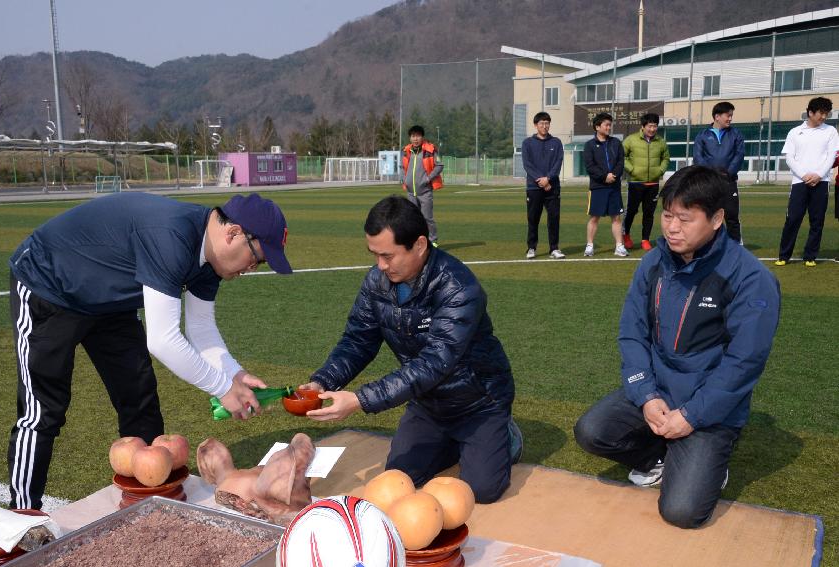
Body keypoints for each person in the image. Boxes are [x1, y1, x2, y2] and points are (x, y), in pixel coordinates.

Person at [7, 192, 292, 510]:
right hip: (49, 284)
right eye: (257, 258)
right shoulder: (172, 236)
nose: (252, 268)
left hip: (110, 304)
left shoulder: (210, 260)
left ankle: (146, 503)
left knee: (140, 399)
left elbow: (201, 331)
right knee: (43, 411)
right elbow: (163, 339)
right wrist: (223, 388)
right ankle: (23, 513)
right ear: (233, 233)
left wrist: (235, 373)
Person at [573, 165, 780, 529]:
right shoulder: (654, 262)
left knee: (682, 512)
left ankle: (710, 464)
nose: (671, 227)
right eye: (668, 215)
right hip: (659, 391)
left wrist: (692, 416)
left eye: (685, 219)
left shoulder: (750, 278)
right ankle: (658, 456)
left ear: (717, 219)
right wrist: (646, 394)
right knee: (591, 430)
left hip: (710, 406)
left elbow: (743, 363)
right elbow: (632, 332)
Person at [300, 195, 520, 504]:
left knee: (481, 491)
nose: (380, 265)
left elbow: (434, 363)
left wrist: (360, 400)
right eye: (374, 254)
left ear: (419, 245)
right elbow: (357, 340)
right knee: (399, 477)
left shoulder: (458, 287)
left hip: (478, 403)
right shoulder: (377, 282)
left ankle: (506, 436)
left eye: (388, 256)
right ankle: (455, 442)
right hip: (427, 404)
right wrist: (322, 381)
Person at [774, 97, 839, 267]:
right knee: (793, 219)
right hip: (799, 182)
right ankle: (784, 255)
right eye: (821, 113)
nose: (824, 117)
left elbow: (831, 156)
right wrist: (804, 175)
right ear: (810, 112)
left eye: (827, 113)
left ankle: (810, 256)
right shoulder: (795, 132)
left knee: (817, 221)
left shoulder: (831, 131)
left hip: (821, 181)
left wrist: (818, 175)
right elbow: (789, 157)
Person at [693, 101, 746, 242]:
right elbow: (698, 157)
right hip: (709, 183)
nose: (730, 119)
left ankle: (736, 246)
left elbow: (739, 155)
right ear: (717, 116)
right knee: (709, 216)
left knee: (732, 216)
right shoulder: (702, 135)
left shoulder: (736, 134)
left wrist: (728, 173)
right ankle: (710, 245)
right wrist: (711, 175)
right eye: (727, 115)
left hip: (729, 182)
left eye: (731, 116)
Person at [622, 112, 670, 251]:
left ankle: (645, 239)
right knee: (631, 211)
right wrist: (632, 170)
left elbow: (666, 159)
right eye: (650, 126)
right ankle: (626, 235)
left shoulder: (661, 141)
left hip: (653, 184)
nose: (652, 129)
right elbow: (621, 156)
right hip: (636, 183)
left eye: (655, 126)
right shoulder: (631, 140)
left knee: (649, 213)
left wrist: (659, 171)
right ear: (643, 126)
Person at [521, 111, 565, 259]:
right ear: (535, 125)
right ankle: (531, 248)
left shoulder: (556, 142)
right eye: (541, 123)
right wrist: (541, 180)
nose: (545, 126)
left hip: (553, 187)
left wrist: (548, 179)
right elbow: (527, 165)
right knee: (533, 218)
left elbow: (558, 163)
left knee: (554, 218)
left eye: (547, 123)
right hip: (534, 187)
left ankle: (554, 248)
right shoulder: (527, 143)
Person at [583, 112, 627, 257]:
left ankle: (619, 246)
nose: (609, 127)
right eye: (606, 125)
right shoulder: (589, 145)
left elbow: (621, 161)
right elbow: (590, 166)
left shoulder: (616, 143)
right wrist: (604, 176)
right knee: (595, 217)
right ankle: (589, 246)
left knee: (616, 217)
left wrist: (613, 176)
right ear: (597, 127)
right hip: (598, 187)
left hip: (614, 186)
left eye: (610, 125)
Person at [402, 125, 444, 247]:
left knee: (427, 218)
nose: (415, 139)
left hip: (425, 191)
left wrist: (428, 178)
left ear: (422, 137)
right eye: (413, 136)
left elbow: (439, 165)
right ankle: (416, 241)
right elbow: (402, 167)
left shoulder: (430, 150)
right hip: (410, 192)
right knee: (412, 219)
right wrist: (403, 178)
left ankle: (433, 241)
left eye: (418, 136)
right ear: (410, 138)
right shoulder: (406, 151)